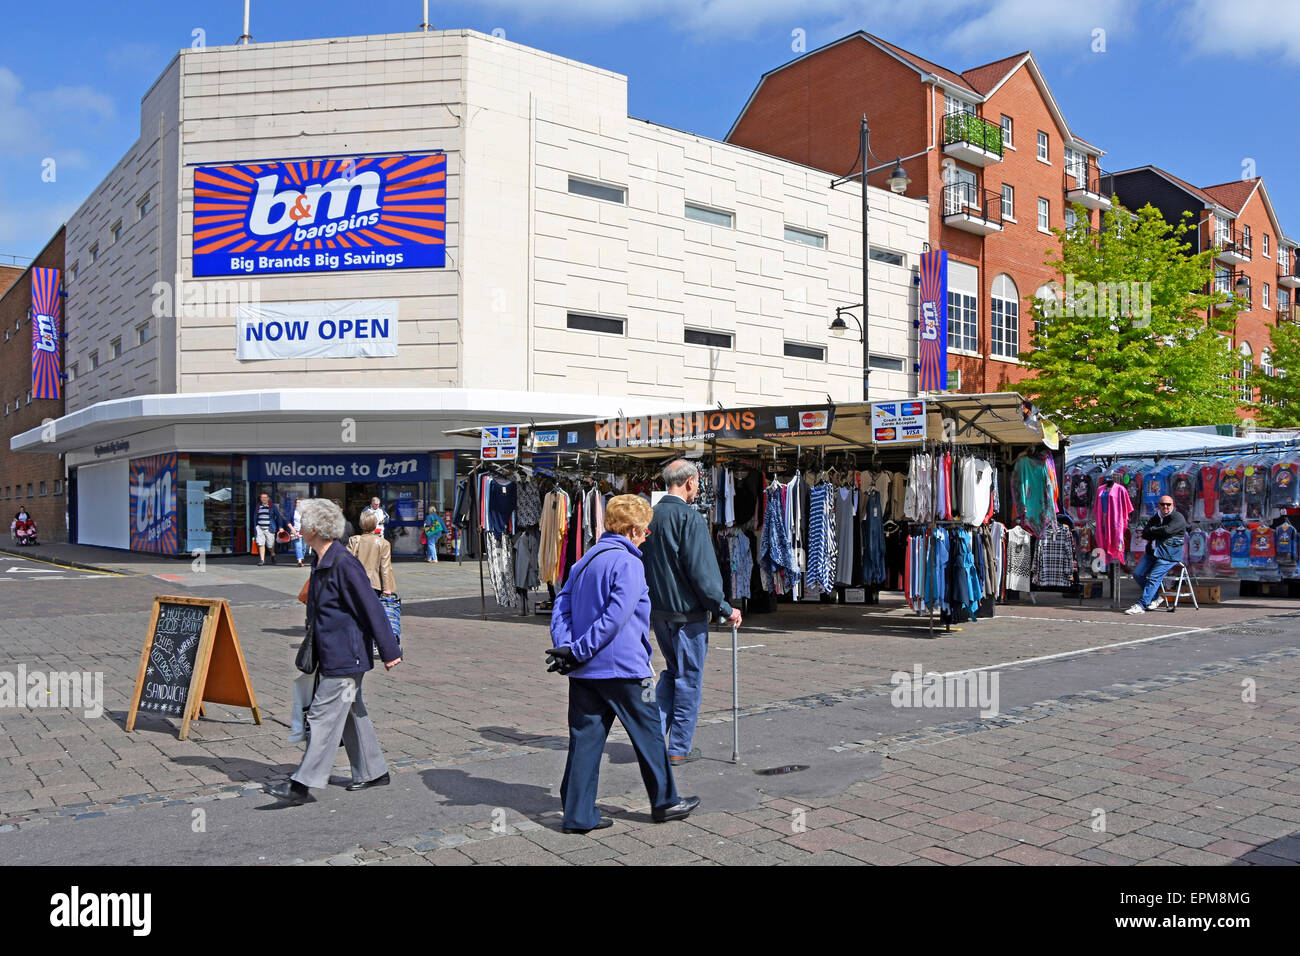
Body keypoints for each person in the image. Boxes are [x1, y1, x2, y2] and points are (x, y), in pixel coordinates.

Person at [547, 494, 699, 833]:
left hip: (585, 670)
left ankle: (578, 814)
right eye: (645, 531)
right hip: (625, 669)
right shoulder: (628, 563)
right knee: (650, 736)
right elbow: (614, 618)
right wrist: (580, 649)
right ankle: (665, 801)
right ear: (632, 530)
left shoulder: (584, 560)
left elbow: (562, 605)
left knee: (585, 739)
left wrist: (568, 647)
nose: (647, 537)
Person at [265, 499, 401, 805]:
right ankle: (372, 771)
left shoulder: (343, 563)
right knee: (352, 711)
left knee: (322, 715)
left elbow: (370, 606)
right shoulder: (321, 560)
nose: (298, 526)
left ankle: (302, 784)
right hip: (332, 652)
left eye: (302, 521)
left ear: (314, 529)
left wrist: (389, 649)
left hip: (346, 655)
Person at [641, 459, 742, 765]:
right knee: (688, 679)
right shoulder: (690, 519)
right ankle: (678, 747)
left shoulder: (650, 518)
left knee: (672, 673)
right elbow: (704, 575)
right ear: (688, 483)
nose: (698, 488)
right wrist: (724, 608)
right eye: (698, 483)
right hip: (688, 615)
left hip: (660, 612)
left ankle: (655, 738)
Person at [1126, 494, 1188, 615]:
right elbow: (1145, 533)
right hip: (1152, 553)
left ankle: (1141, 605)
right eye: (1163, 504)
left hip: (1168, 555)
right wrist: (1158, 531)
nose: (1165, 507)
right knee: (1138, 574)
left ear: (1173, 505)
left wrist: (1154, 531)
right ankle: (1155, 598)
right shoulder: (1156, 517)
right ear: (1158, 505)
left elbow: (1168, 530)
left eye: (1168, 504)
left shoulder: (1178, 517)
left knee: (1154, 578)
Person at [348, 511, 395, 597]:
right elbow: (385, 567)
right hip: (374, 585)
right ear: (375, 524)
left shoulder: (354, 540)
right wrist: (387, 588)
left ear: (361, 524)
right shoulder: (384, 543)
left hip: (355, 582)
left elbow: (346, 562)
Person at [253, 492, 290, 566]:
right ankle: (262, 560)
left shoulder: (272, 507)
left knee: (270, 545)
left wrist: (280, 527)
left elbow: (279, 517)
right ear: (260, 499)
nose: (263, 499)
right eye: (262, 497)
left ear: (268, 498)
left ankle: (272, 554)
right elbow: (255, 517)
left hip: (269, 528)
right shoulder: (258, 506)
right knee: (261, 543)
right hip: (260, 528)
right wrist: (255, 526)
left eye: (265, 497)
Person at [291, 502, 307, 567]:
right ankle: (299, 561)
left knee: (304, 548)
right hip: (296, 531)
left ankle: (301, 559)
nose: (298, 504)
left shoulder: (306, 513)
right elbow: (288, 521)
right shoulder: (293, 512)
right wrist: (293, 529)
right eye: (297, 503)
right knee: (298, 546)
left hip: (305, 532)